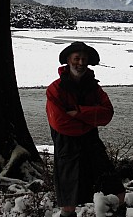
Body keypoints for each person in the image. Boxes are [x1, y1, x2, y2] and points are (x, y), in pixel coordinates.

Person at [46, 41, 126, 217]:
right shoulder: (55, 89)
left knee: (117, 193)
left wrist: (79, 113)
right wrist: (90, 121)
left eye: (84, 59)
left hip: (93, 146)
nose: (81, 63)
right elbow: (60, 123)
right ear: (68, 60)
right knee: (68, 204)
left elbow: (107, 114)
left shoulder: (94, 88)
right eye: (77, 58)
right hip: (67, 148)